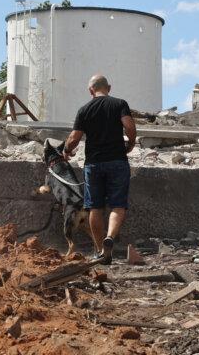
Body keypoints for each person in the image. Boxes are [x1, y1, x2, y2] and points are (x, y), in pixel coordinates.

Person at [63, 74, 136, 264]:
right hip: (117, 161)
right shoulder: (119, 103)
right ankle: (110, 237)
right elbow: (129, 126)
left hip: (94, 164)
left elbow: (74, 138)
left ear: (91, 91)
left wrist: (66, 150)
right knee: (118, 205)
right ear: (109, 88)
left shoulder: (84, 109)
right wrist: (131, 142)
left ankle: (99, 250)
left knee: (95, 207)